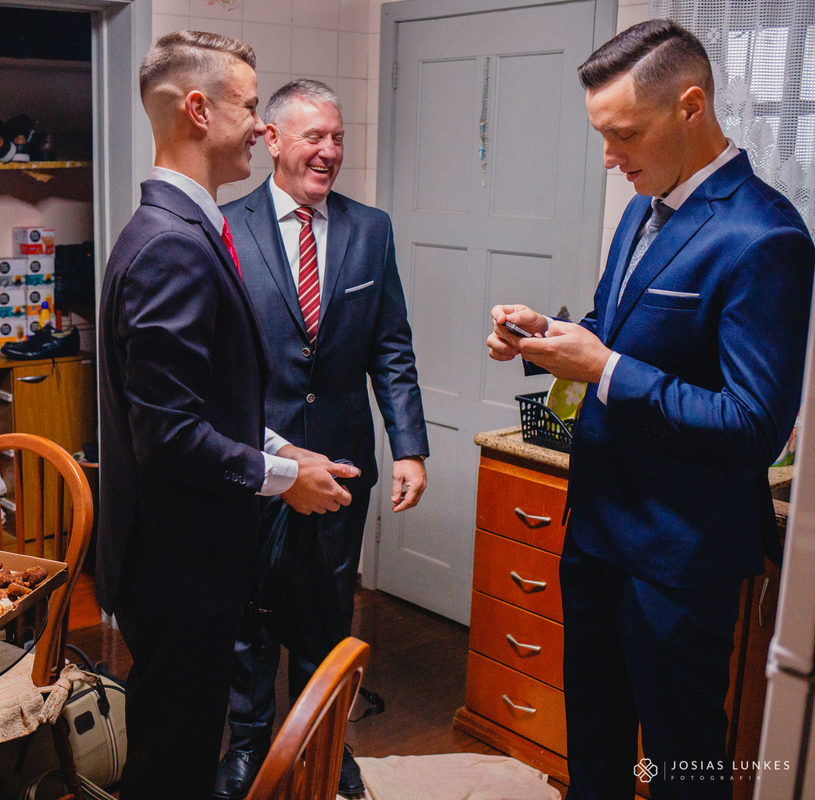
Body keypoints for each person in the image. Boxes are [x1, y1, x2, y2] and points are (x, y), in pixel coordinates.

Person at [487, 19, 814, 799]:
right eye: (603, 134)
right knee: (593, 744)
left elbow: (754, 426)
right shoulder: (641, 207)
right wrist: (550, 339)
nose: (610, 155)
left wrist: (604, 366)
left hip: (681, 559)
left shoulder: (766, 236)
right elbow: (618, 330)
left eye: (624, 133)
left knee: (681, 762)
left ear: (692, 106)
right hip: (597, 530)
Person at [97, 32, 358, 800]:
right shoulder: (170, 247)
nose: (258, 127)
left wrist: (285, 451)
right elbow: (168, 433)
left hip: (184, 562)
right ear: (197, 110)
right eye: (249, 107)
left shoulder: (181, 229)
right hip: (178, 570)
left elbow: (208, 396)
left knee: (176, 744)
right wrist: (284, 479)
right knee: (170, 766)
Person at [214, 79, 430, 798]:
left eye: (337, 138)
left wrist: (410, 447)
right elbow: (213, 361)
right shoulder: (222, 227)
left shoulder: (372, 230)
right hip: (257, 457)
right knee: (248, 614)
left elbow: (391, 346)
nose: (330, 152)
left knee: (327, 613)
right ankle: (248, 746)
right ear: (272, 139)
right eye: (314, 137)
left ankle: (324, 747)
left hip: (342, 461)